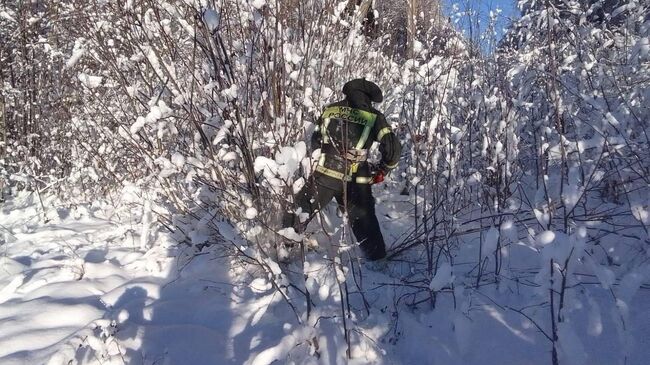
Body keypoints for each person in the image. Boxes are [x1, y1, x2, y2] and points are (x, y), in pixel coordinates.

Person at [282, 79, 401, 261]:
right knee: (365, 222)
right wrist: (383, 169)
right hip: (356, 180)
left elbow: (316, 140)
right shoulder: (374, 116)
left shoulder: (330, 110)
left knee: (301, 208)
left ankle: (283, 252)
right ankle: (377, 262)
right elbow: (392, 148)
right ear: (369, 98)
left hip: (325, 174)